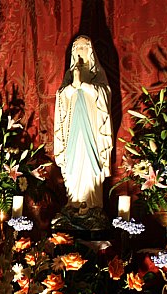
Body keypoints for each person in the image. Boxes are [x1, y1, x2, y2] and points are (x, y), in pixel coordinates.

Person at [53, 35, 113, 208]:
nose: (80, 51)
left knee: (90, 164)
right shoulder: (69, 75)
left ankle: (92, 206)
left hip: (92, 129)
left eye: (83, 47)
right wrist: (73, 85)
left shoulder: (97, 74)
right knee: (73, 162)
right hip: (73, 128)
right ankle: (74, 203)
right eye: (76, 48)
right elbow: (61, 97)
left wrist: (83, 85)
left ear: (90, 50)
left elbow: (104, 94)